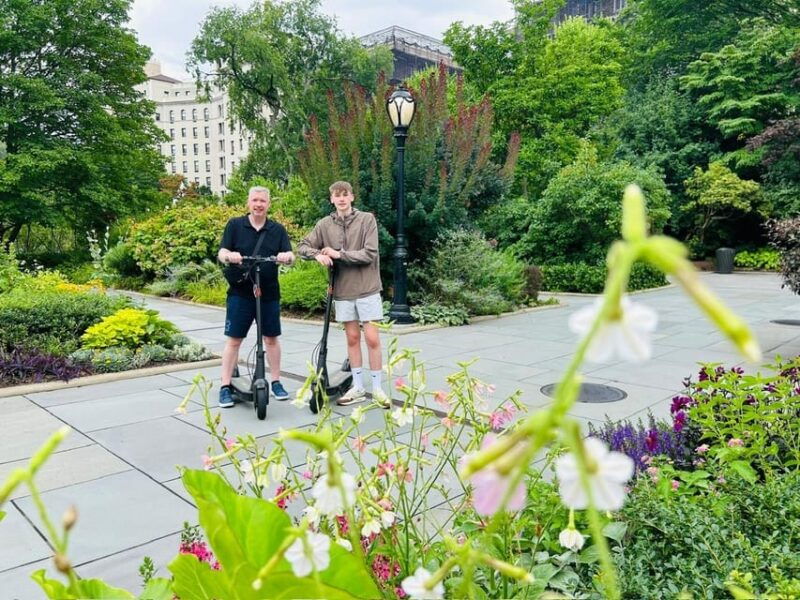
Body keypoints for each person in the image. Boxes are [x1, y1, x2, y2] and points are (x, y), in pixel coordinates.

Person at [298, 180, 388, 407]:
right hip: (343, 291)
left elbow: (370, 253)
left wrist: (339, 254)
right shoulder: (324, 224)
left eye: (345, 194)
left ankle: (377, 389)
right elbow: (302, 246)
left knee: (372, 338)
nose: (341, 198)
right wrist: (316, 254)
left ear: (352, 197)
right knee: (352, 338)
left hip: (367, 288)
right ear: (331, 199)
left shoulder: (367, 219)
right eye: (336, 195)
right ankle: (357, 387)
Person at [217, 186, 295, 408]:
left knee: (271, 338)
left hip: (268, 292)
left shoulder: (276, 229)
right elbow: (222, 252)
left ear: (268, 204)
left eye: (262, 201)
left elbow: (290, 254)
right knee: (234, 339)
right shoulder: (235, 225)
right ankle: (224, 386)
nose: (258, 204)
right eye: (255, 200)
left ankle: (277, 381)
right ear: (248, 202)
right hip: (241, 292)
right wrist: (229, 256)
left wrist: (286, 257)